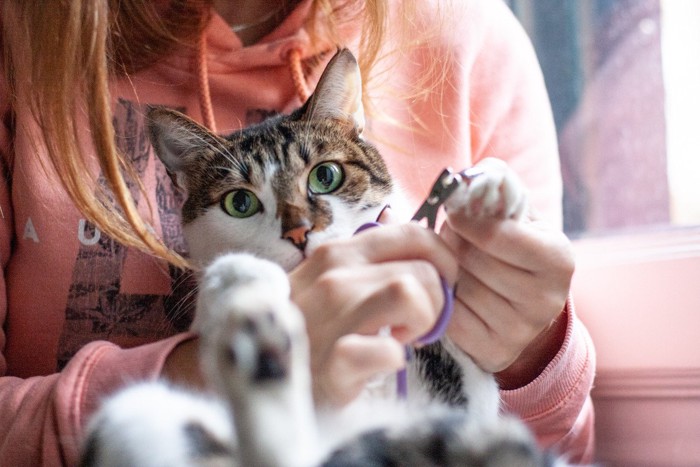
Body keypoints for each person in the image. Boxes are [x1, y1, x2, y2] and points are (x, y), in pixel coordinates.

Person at [0, 0, 595, 465]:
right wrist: (212, 377)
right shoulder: (18, 44)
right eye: (241, 201)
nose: (297, 226)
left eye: (327, 177)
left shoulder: (474, 39)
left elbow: (559, 443)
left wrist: (530, 353)